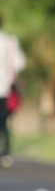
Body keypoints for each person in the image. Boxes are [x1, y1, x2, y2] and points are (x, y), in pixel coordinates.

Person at [0, 17, 26, 167]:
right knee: (4, 122)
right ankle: (6, 154)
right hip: (5, 88)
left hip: (5, 88)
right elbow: (20, 64)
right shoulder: (10, 42)